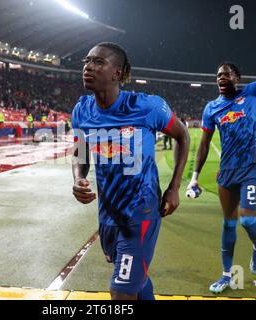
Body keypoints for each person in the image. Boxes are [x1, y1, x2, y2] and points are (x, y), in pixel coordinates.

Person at [71, 42, 190, 300]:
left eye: (98, 62)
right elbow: (79, 152)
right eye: (87, 61)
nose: (88, 67)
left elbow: (182, 135)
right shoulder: (81, 110)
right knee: (135, 281)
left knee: (121, 292)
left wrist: (174, 187)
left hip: (141, 212)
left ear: (117, 73)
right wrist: (79, 178)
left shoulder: (146, 106)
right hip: (108, 214)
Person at [187, 21, 256, 294]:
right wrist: (194, 177)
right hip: (227, 172)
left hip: (251, 167)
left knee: (247, 220)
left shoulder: (253, 92)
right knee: (228, 224)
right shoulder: (211, 108)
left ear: (237, 78)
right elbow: (203, 145)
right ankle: (226, 275)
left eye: (226, 74)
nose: (220, 78)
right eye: (217, 76)